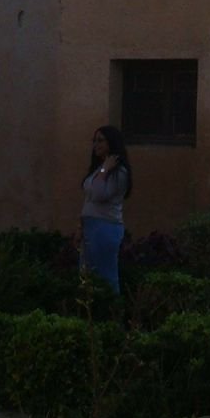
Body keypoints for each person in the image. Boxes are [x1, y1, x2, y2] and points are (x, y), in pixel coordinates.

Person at [78, 124, 131, 293]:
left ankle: (112, 314)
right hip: (90, 226)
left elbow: (99, 194)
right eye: (94, 141)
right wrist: (81, 226)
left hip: (105, 227)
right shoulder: (98, 171)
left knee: (106, 276)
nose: (96, 145)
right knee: (87, 276)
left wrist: (104, 169)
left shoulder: (119, 173)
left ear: (111, 143)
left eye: (101, 140)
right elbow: (89, 199)